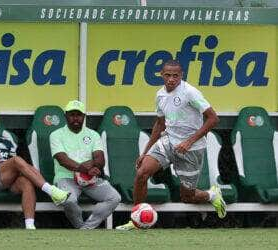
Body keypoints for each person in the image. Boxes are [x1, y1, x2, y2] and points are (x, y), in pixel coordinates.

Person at [116, 60, 225, 230]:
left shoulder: (190, 92)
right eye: (168, 75)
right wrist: (145, 152)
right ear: (161, 75)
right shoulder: (160, 94)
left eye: (175, 75)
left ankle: (211, 194)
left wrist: (189, 141)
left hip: (191, 149)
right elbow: (160, 124)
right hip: (168, 141)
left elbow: (213, 119)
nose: (172, 79)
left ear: (181, 75)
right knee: (141, 173)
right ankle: (136, 220)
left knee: (187, 196)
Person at [0, 105, 70, 230]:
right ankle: (52, 191)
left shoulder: (6, 141)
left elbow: (16, 166)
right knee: (16, 160)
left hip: (7, 178)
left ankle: (30, 226)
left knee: (26, 182)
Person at [50, 100, 121, 229]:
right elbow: (63, 160)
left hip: (91, 179)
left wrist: (93, 166)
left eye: (79, 115)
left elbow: (100, 159)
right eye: (72, 115)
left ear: (84, 116)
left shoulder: (93, 135)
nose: (75, 118)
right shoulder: (56, 135)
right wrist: (86, 168)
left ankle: (87, 228)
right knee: (69, 200)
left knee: (114, 197)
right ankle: (81, 227)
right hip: (66, 177)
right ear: (65, 116)